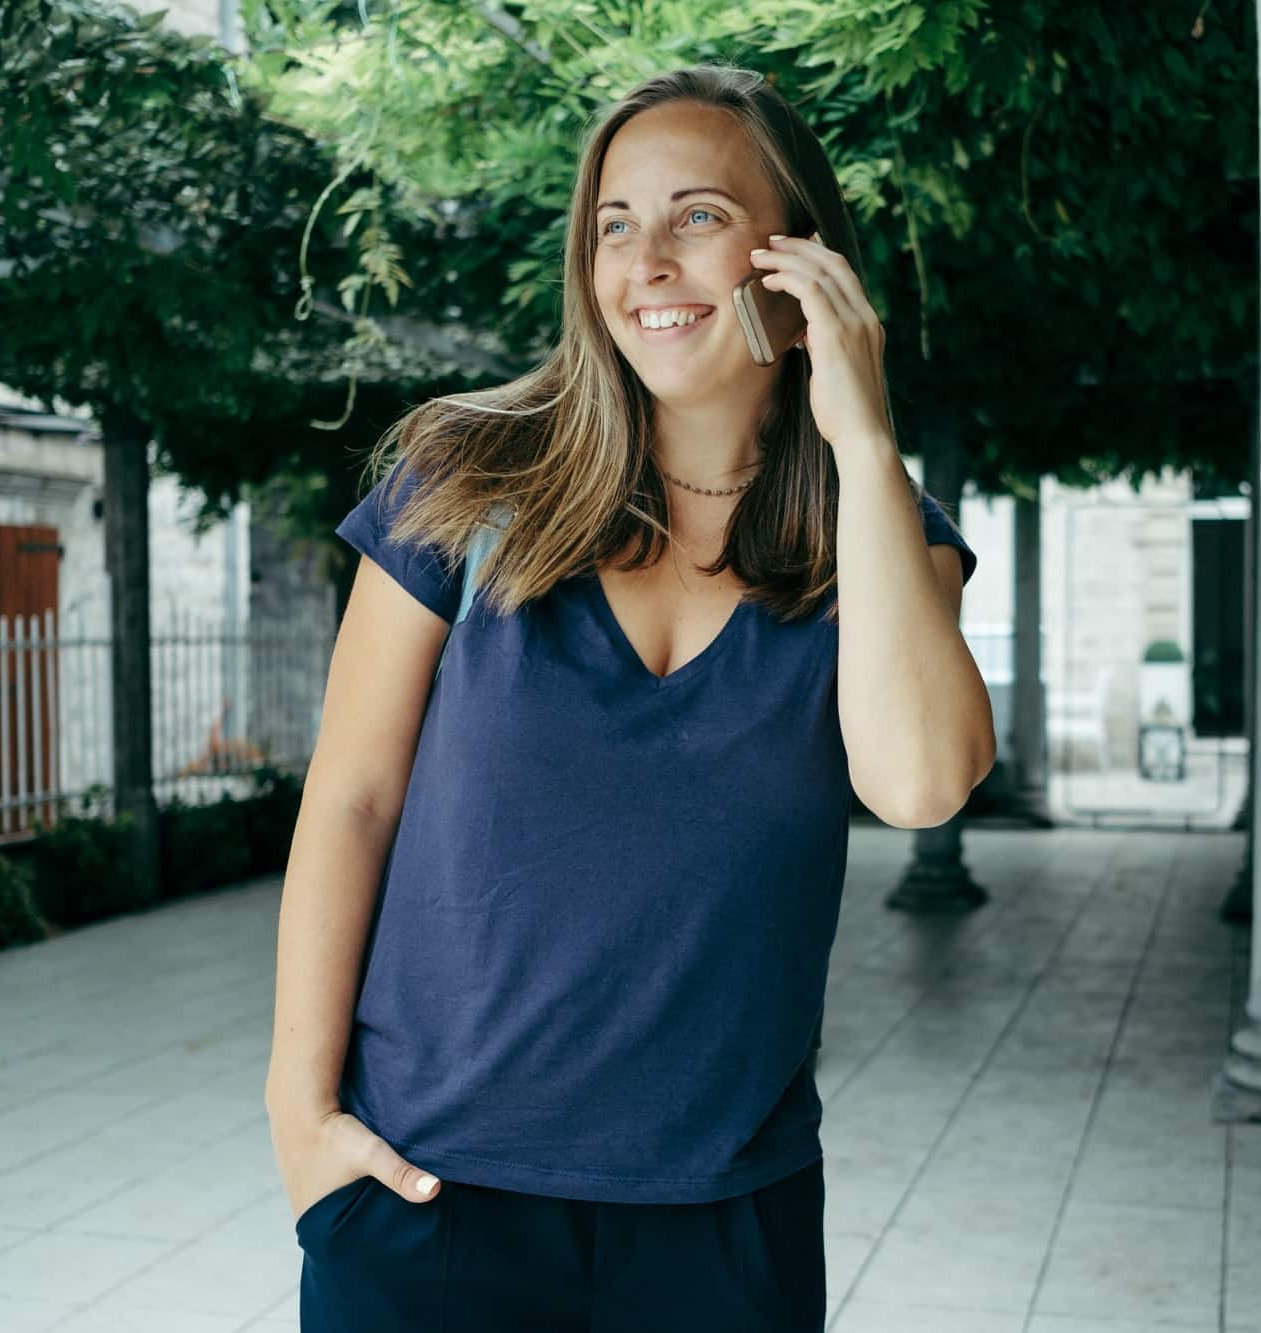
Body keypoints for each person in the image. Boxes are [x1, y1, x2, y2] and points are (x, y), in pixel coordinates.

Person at [265, 62, 995, 1332]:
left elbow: (921, 779)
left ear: (798, 258)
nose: (644, 262)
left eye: (699, 217)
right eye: (615, 223)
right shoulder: (467, 477)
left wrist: (863, 437)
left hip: (725, 1225)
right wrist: (301, 1119)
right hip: (427, 1197)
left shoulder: (874, 538)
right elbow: (353, 797)